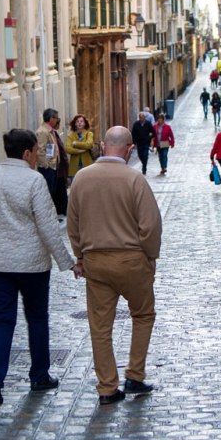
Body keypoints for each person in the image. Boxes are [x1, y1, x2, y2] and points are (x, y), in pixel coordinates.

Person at [0, 127, 74, 405]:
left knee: (3, 320)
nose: (35, 157)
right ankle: (39, 374)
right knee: (37, 317)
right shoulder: (33, 181)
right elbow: (47, 226)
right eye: (34, 152)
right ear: (26, 152)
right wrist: (66, 263)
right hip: (30, 265)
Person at [67, 126, 162, 403]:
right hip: (132, 260)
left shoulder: (82, 179)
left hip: (96, 262)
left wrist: (80, 256)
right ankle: (135, 374)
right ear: (130, 149)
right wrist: (151, 257)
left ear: (101, 145)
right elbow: (150, 225)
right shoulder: (135, 179)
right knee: (143, 315)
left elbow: (73, 225)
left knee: (100, 327)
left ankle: (107, 387)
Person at [35, 108, 63, 212]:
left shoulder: (50, 130)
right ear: (51, 118)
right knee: (48, 192)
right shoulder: (43, 131)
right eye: (56, 118)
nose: (57, 120)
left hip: (53, 166)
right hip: (48, 168)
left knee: (53, 192)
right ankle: (48, 214)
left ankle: (52, 214)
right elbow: (40, 151)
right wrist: (47, 165)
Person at [65, 114, 94, 181]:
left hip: (87, 166)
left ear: (85, 123)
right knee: (75, 188)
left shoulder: (89, 134)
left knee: (87, 186)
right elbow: (67, 149)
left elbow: (89, 144)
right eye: (77, 121)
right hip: (74, 167)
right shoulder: (70, 135)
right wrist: (79, 151)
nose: (79, 123)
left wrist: (76, 143)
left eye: (81, 121)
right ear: (75, 124)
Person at [152, 109, 175, 176]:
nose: (159, 120)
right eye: (158, 119)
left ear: (163, 120)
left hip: (165, 143)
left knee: (164, 155)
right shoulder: (155, 127)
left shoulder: (167, 127)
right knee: (160, 156)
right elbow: (153, 135)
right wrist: (152, 141)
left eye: (161, 119)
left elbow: (171, 135)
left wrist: (172, 143)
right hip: (158, 143)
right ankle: (162, 167)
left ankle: (164, 167)